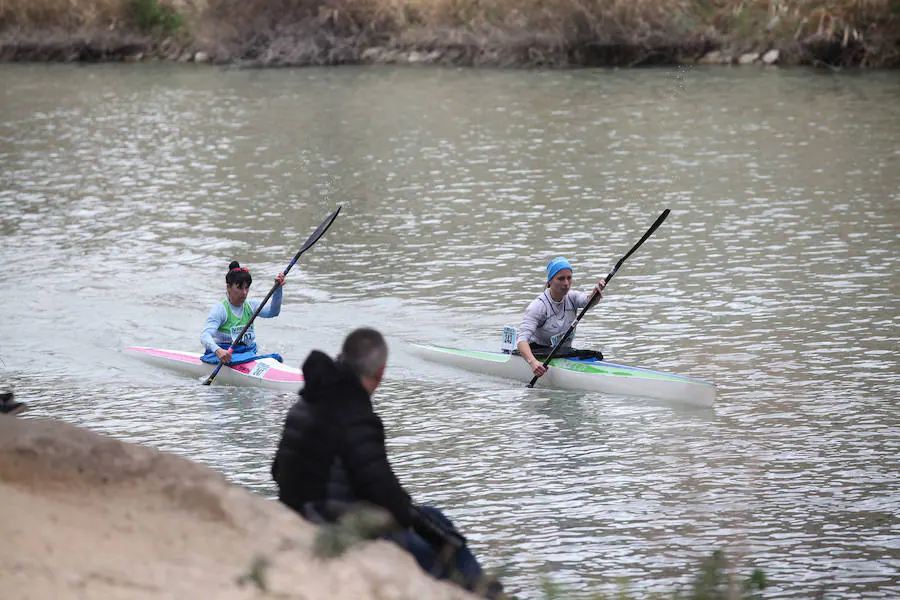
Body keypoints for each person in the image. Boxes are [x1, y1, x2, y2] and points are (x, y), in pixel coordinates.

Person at [271, 328, 502, 598]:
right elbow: (381, 488)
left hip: (300, 510)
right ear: (379, 372)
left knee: (435, 517)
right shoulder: (356, 414)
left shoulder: (306, 400)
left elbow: (277, 470)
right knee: (438, 546)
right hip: (332, 525)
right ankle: (487, 594)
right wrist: (412, 519)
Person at [516, 256, 606, 378]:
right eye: (561, 279)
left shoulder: (572, 297)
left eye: (569, 278)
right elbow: (521, 341)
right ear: (550, 281)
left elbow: (588, 301)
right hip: (539, 353)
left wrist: (595, 295)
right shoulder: (538, 306)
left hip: (564, 353)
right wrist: (533, 363)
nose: (566, 283)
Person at [200, 261, 286, 364]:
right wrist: (218, 350)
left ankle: (252, 360)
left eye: (247, 288)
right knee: (274, 357)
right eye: (240, 288)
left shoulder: (251, 306)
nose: (244, 293)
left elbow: (273, 312)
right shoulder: (220, 310)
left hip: (247, 353)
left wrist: (278, 290)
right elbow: (205, 336)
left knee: (276, 358)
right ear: (228, 287)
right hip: (225, 355)